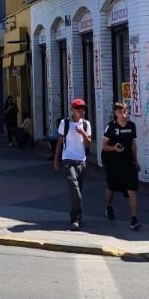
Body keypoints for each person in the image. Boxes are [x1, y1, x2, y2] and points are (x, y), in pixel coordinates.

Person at [53, 98, 93, 230]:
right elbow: (59, 142)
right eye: (78, 110)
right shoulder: (65, 123)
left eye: (83, 110)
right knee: (75, 189)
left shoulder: (86, 124)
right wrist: (56, 160)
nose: (81, 112)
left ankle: (77, 218)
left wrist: (82, 133)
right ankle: (75, 219)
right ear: (73, 110)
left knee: (78, 191)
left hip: (81, 160)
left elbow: (88, 143)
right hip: (68, 159)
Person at [102, 102, 141, 231]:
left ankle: (134, 219)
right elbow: (104, 146)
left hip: (129, 163)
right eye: (121, 112)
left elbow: (133, 145)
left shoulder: (131, 126)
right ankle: (109, 207)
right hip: (114, 163)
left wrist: (136, 160)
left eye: (125, 111)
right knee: (112, 187)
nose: (124, 114)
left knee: (132, 190)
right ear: (115, 113)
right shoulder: (111, 127)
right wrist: (114, 148)